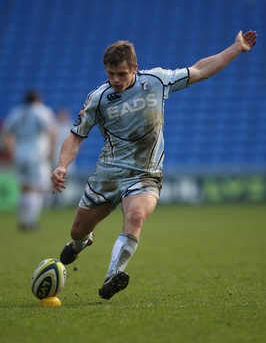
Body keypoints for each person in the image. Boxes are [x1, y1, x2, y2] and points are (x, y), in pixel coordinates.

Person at [51, 30, 257, 300]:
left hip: (146, 173)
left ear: (134, 68)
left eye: (121, 74)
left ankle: (113, 275)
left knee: (135, 217)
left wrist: (236, 48)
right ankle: (80, 243)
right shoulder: (98, 98)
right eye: (111, 73)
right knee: (77, 230)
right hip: (109, 174)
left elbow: (200, 71)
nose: (115, 80)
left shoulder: (156, 80)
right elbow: (75, 136)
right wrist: (62, 165)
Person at [3, 90, 57, 230]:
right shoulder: (42, 111)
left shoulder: (17, 112)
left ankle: (22, 220)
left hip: (20, 154)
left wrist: (13, 151)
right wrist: (51, 152)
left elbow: (7, 133)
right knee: (37, 188)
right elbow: (52, 131)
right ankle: (31, 221)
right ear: (38, 100)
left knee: (24, 187)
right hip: (36, 155)